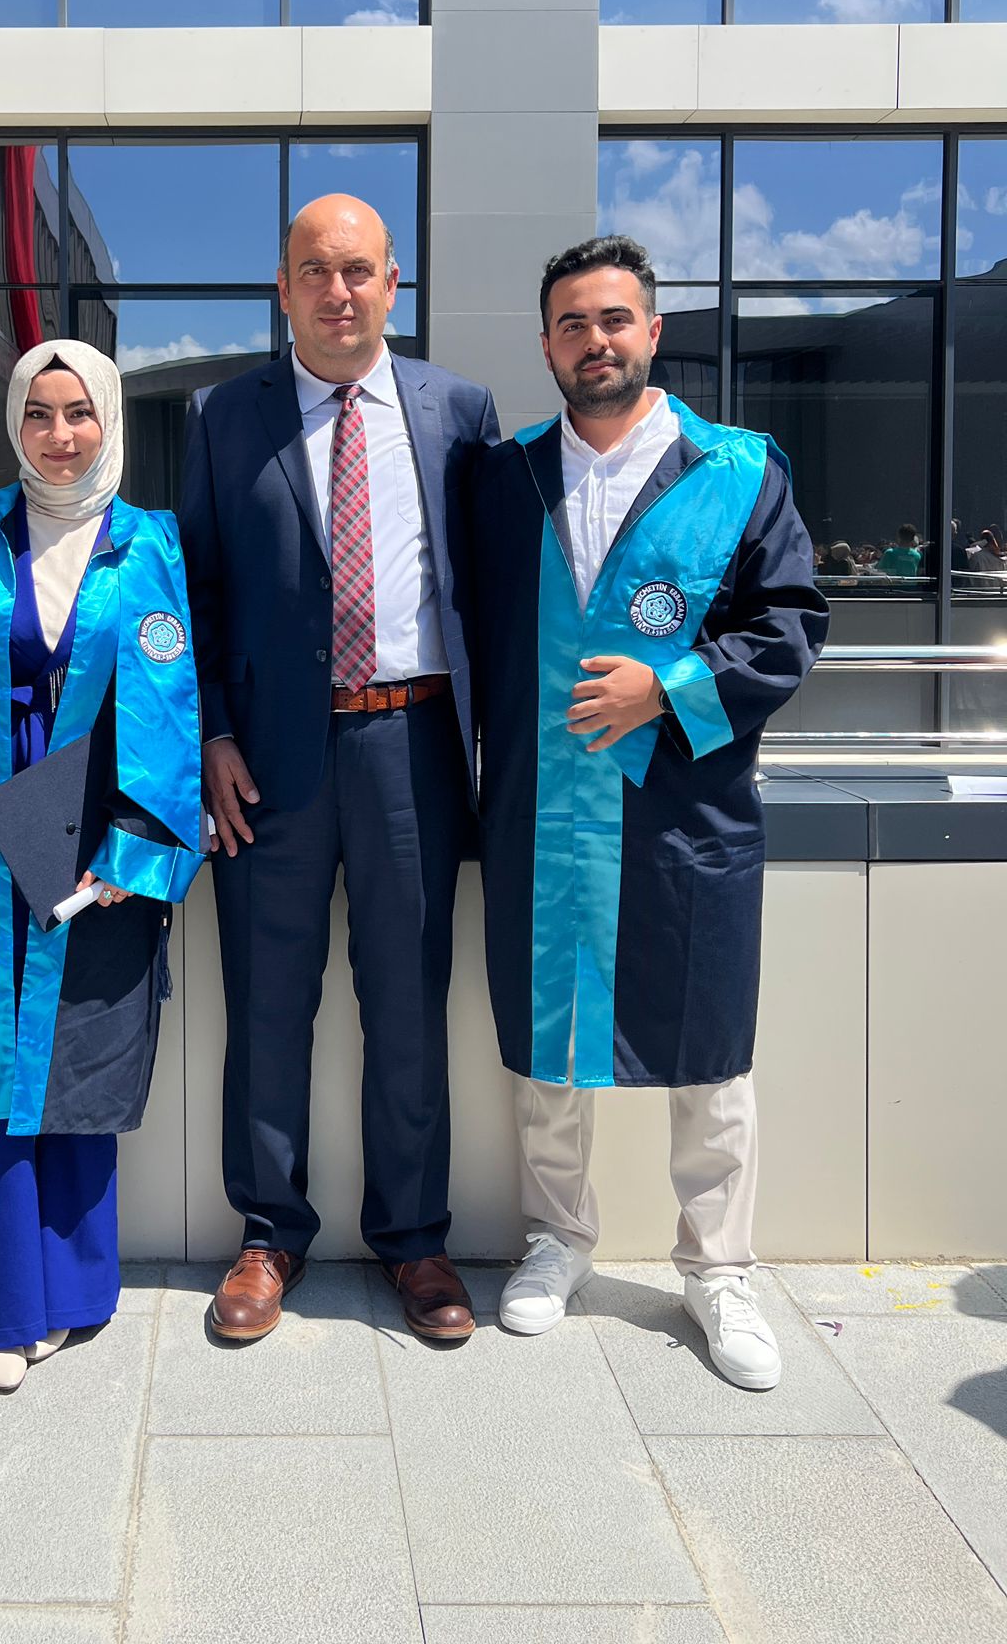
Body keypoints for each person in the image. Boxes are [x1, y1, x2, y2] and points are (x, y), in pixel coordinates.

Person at [472, 235, 827, 1390]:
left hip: (685, 812)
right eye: (573, 323)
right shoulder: (506, 477)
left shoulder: (735, 469)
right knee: (549, 1045)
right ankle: (558, 1237)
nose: (596, 341)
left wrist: (667, 689)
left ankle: (718, 1268)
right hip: (543, 807)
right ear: (546, 344)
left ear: (654, 331)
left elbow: (790, 625)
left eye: (615, 318)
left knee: (709, 1053)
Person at [178, 193, 501, 1343]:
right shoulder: (223, 415)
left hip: (412, 742)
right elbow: (197, 589)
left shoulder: (459, 410)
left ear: (392, 283)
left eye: (358, 269)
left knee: (407, 1000)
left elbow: (491, 584)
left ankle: (414, 1237)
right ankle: (269, 1232)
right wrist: (212, 733)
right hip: (268, 757)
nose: (338, 289)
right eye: (314, 269)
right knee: (268, 999)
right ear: (283, 288)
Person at [0, 340, 204, 1392]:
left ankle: (70, 1288)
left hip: (95, 835)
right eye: (38, 413)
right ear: (14, 424)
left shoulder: (147, 542)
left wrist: (140, 846)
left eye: (79, 411)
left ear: (108, 419)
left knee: (78, 1054)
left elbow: (171, 699)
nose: (60, 434)